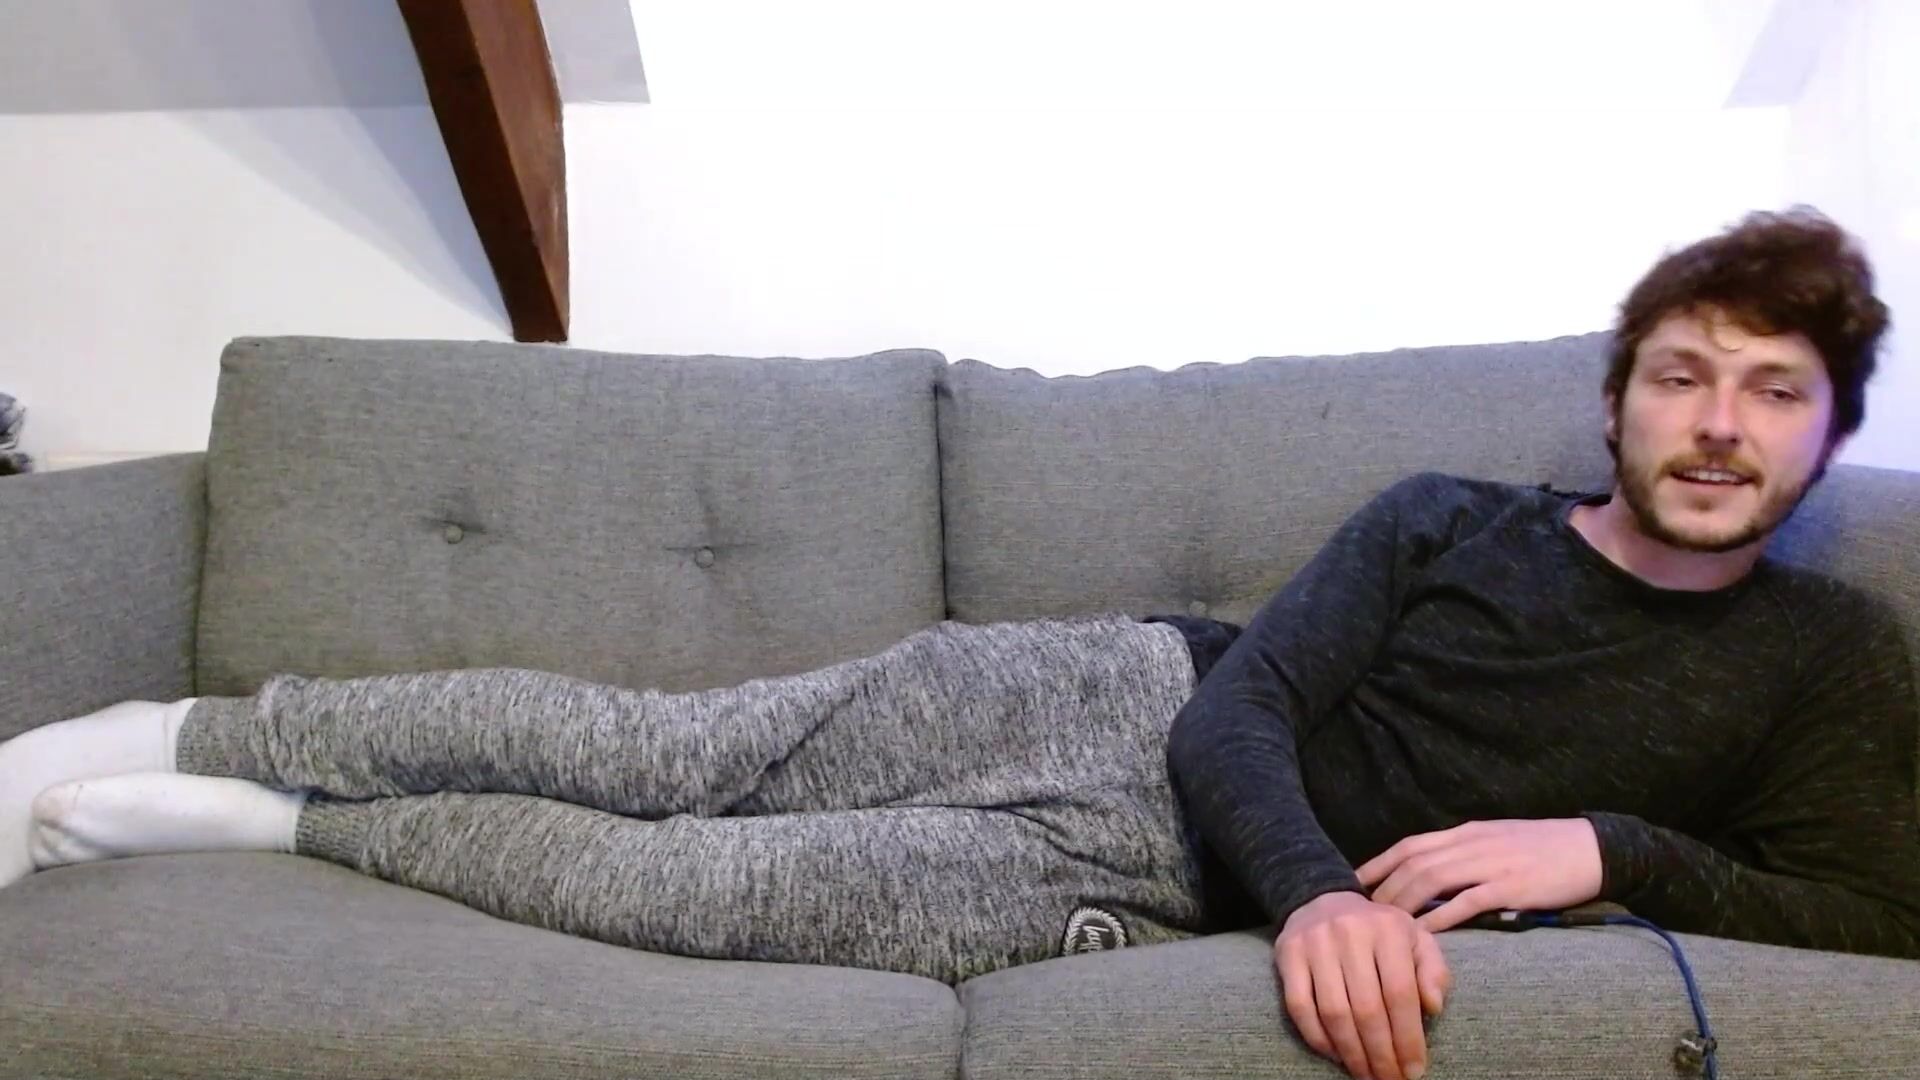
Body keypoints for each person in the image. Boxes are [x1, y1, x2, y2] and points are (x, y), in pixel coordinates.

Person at [2, 207, 1916, 1080]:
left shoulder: (1826, 657)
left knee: (687, 893)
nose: (1719, 423)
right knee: (661, 753)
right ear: (1618, 399)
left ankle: (299, 822)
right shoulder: (1446, 517)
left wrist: (1611, 849)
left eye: (1773, 390)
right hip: (1121, 699)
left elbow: (1878, 916)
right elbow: (1248, 701)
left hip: (1132, 883)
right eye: (1683, 375)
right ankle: (203, 726)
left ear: (1828, 431)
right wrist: (1325, 897)